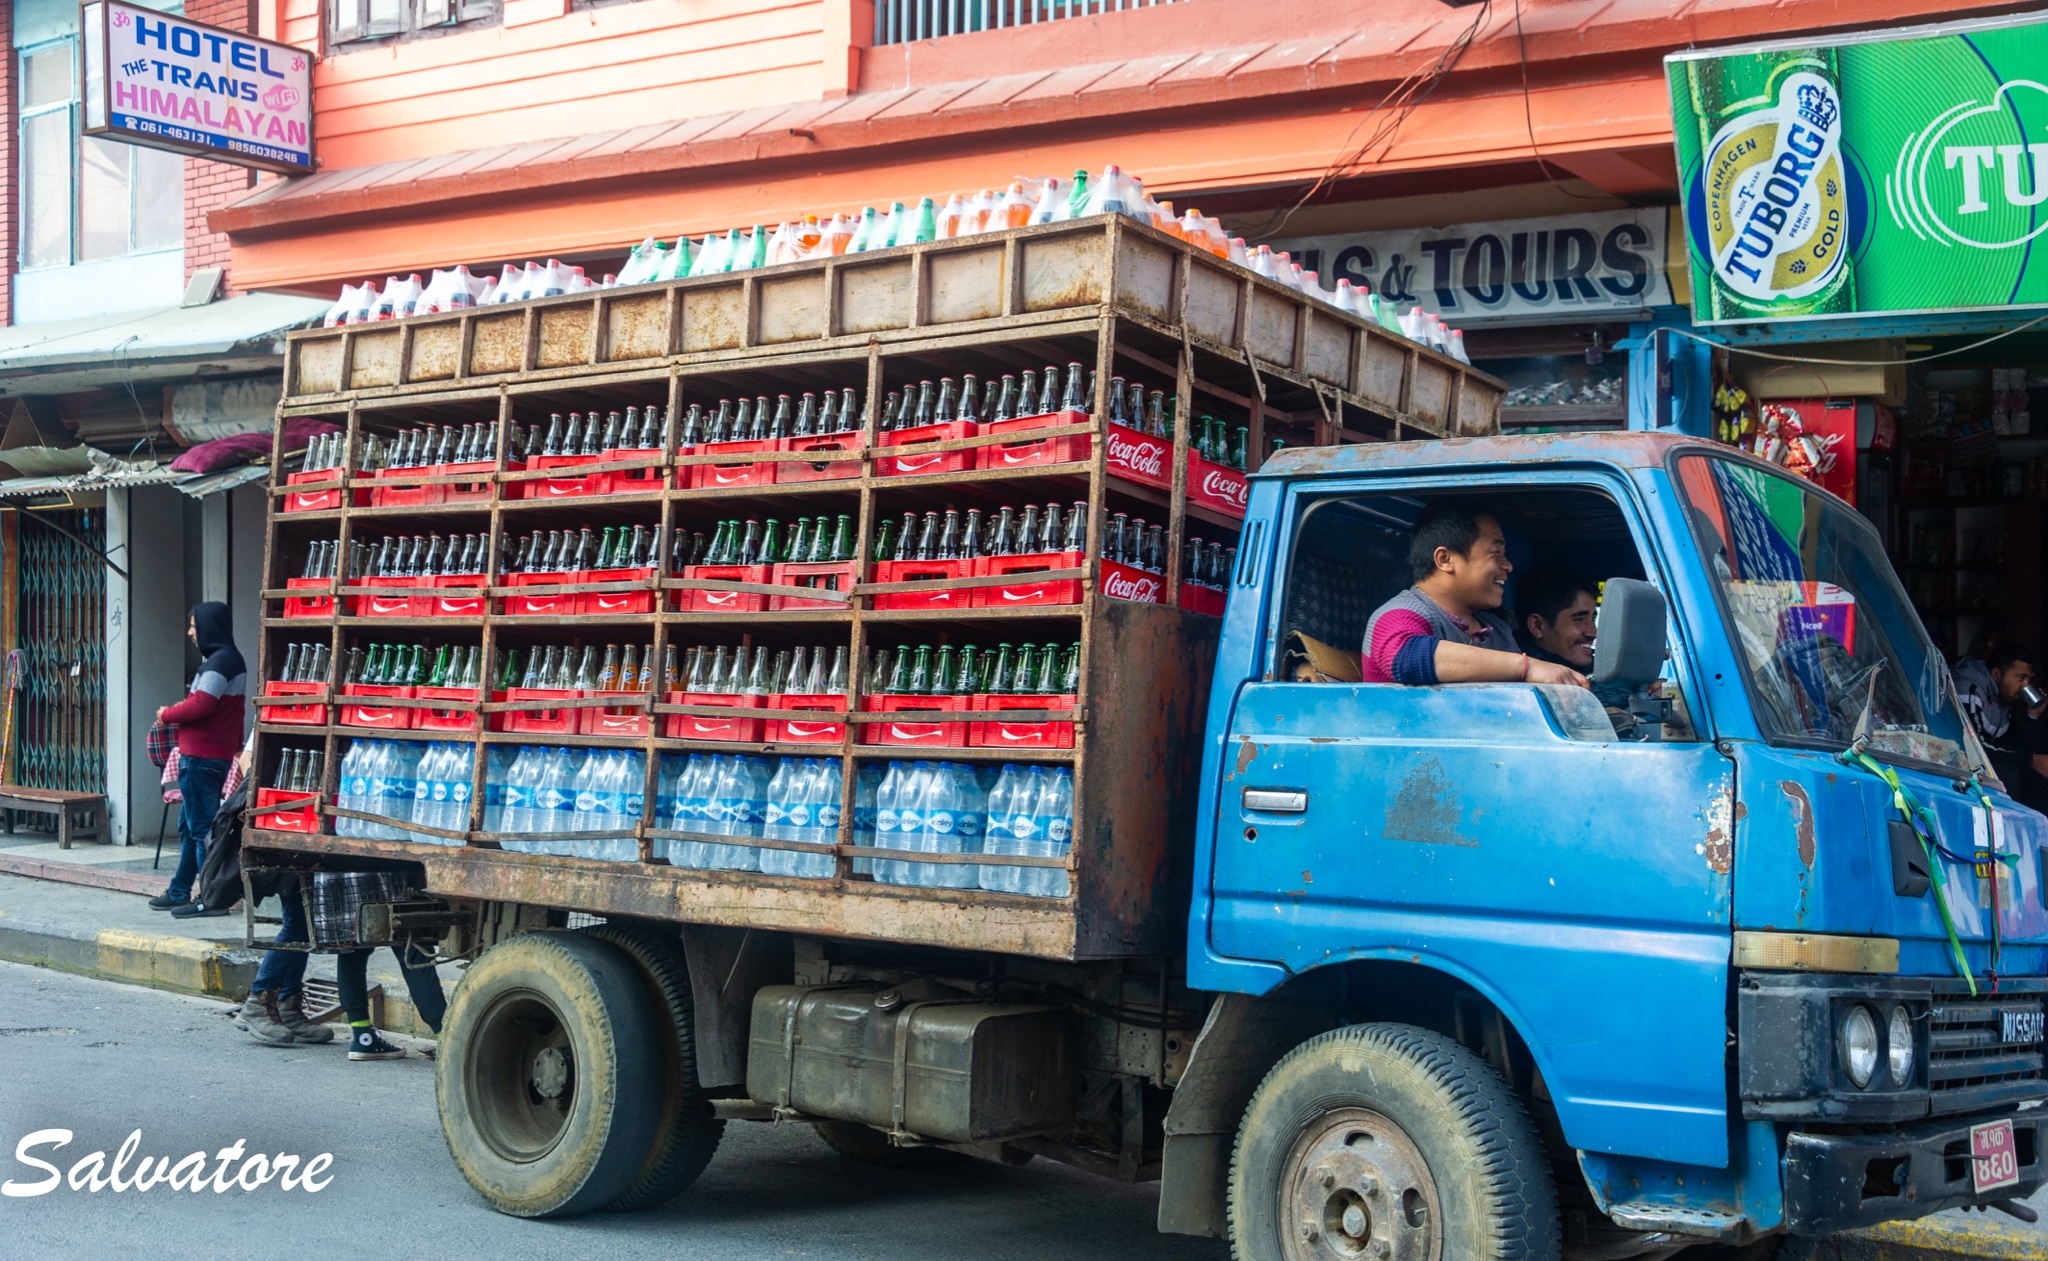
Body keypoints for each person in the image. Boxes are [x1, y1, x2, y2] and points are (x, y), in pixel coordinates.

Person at [1362, 502, 1588, 688]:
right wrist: (1528, 667)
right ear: (1445, 559)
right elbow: (1407, 656)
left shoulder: (1496, 629)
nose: (1508, 566)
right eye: (1496, 552)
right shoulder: (1399, 615)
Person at [147, 603, 246, 912]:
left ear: (208, 627)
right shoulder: (229, 660)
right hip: (208, 755)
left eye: (193, 626)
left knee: (202, 830)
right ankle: (179, 891)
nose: (190, 632)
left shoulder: (219, 663)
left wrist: (168, 714)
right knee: (191, 829)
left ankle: (210, 899)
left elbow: (201, 705)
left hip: (202, 758)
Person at [1957, 643, 2046, 807]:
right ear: (1997, 674)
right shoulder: (1970, 689)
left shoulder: (2005, 697)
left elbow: (2012, 745)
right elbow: (1976, 747)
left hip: (1985, 765)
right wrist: (2032, 760)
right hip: (1960, 765)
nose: (2025, 686)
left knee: (2036, 779)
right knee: (2008, 774)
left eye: (2029, 680)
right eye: (2020, 678)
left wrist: (2033, 715)